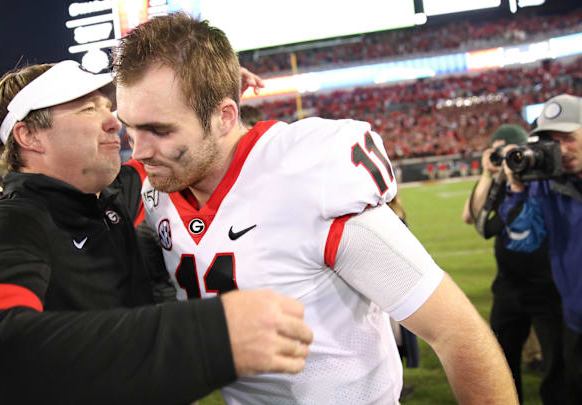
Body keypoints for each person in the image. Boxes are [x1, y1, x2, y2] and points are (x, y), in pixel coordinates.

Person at [114, 13, 517, 405]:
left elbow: (456, 330)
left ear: (224, 117)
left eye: (160, 130)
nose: (140, 150)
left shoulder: (308, 178)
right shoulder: (158, 186)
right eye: (130, 128)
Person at [0, 60, 313, 405]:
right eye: (88, 109)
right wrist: (208, 335)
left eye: (107, 107)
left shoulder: (107, 197)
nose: (114, 122)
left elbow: (171, 149)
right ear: (29, 136)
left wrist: (210, 97)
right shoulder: (10, 223)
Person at [462, 124, 565, 404]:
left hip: (548, 287)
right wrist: (489, 174)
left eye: (513, 153)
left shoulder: (544, 178)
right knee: (501, 363)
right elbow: (472, 217)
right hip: (508, 287)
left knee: (556, 365)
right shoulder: (502, 184)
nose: (511, 160)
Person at [500, 94, 582, 404]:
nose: (561, 149)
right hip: (576, 322)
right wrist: (518, 189)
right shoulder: (548, 183)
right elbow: (524, 240)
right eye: (551, 141)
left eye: (569, 138)